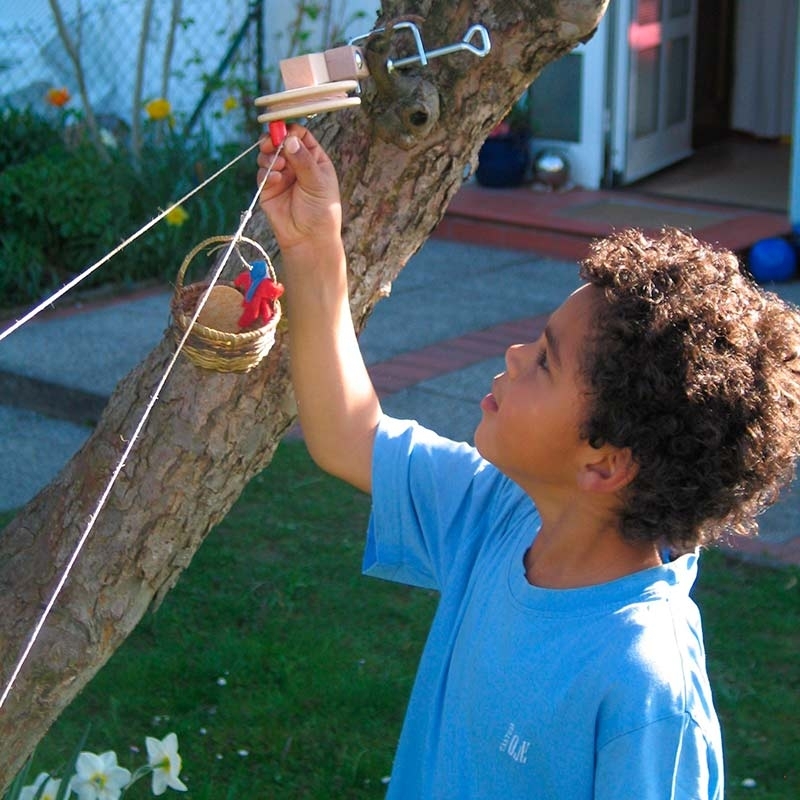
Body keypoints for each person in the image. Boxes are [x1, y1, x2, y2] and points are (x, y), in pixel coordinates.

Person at [256, 125, 800, 799]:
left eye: (544, 360)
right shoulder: (498, 513)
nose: (514, 354)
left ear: (604, 465)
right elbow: (347, 434)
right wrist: (313, 248)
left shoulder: (646, 689)